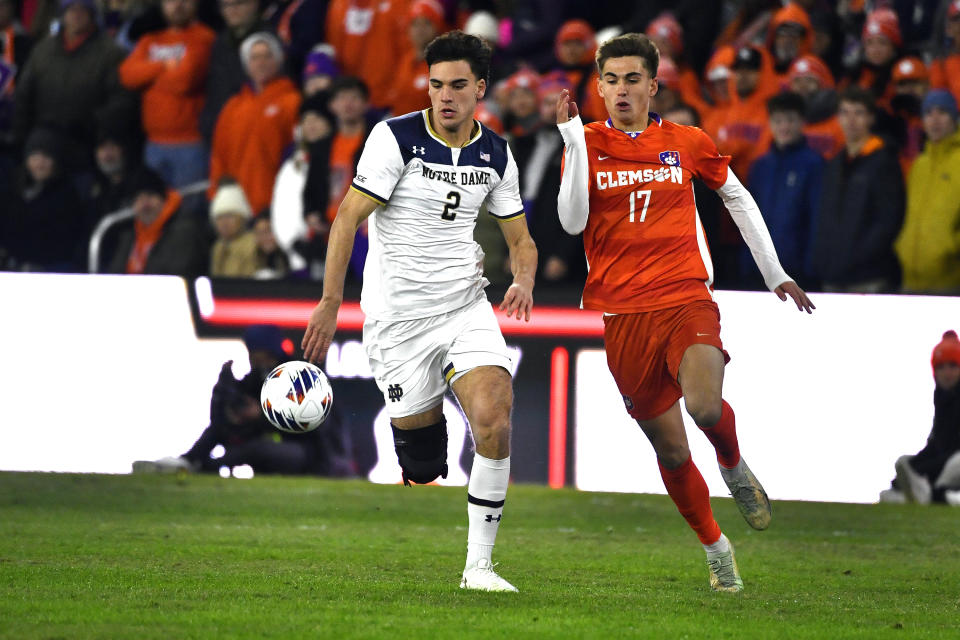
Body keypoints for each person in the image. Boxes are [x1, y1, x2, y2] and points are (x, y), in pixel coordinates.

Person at [555, 32, 814, 593]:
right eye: (611, 79)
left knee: (702, 404)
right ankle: (716, 547)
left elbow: (738, 198)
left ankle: (732, 462)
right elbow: (573, 222)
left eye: (632, 79)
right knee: (670, 448)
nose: (621, 90)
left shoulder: (686, 141)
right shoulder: (587, 142)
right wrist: (573, 143)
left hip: (684, 297)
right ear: (598, 86)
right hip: (623, 315)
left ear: (653, 85)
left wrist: (775, 273)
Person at [301, 30, 537, 593]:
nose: (445, 97)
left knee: (494, 415)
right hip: (397, 322)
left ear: (480, 88)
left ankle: (478, 567)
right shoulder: (395, 138)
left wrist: (523, 279)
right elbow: (346, 218)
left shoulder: (496, 153)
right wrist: (330, 303)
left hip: (464, 305)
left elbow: (521, 239)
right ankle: (426, 446)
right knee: (425, 465)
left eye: (458, 86)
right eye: (436, 85)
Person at [134, 324, 356, 477]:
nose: (253, 359)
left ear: (269, 352)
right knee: (219, 431)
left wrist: (262, 416)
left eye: (257, 353)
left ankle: (206, 467)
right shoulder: (256, 378)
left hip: (312, 455)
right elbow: (225, 418)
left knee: (261, 448)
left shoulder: (299, 378)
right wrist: (224, 393)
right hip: (272, 445)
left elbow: (310, 426)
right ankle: (187, 461)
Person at [13, 0, 136, 174]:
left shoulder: (111, 53)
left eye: (82, 10)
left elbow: (121, 99)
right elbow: (24, 94)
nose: (76, 15)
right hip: (44, 143)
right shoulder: (43, 50)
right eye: (71, 9)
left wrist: (95, 125)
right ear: (63, 14)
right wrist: (23, 135)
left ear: (92, 15)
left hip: (86, 143)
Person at [812, 86, 904, 293]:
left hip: (868, 276)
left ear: (871, 118)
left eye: (858, 113)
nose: (851, 120)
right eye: (845, 112)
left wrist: (855, 258)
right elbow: (825, 218)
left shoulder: (884, 161)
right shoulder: (835, 163)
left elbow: (888, 221)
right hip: (834, 274)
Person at [118, 0, 214, 188]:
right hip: (153, 143)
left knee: (189, 210)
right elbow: (127, 76)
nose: (177, 5)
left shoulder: (203, 37)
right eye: (171, 1)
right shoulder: (150, 39)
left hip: (191, 143)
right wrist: (164, 65)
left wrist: (149, 76)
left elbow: (184, 81)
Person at [208, 31, 300, 216]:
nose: (261, 62)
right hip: (239, 205)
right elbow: (219, 156)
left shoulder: (292, 101)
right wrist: (217, 194)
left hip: (277, 202)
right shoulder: (233, 106)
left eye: (267, 56)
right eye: (255, 57)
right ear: (246, 64)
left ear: (278, 60)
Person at [744, 91, 823, 289]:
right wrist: (746, 261)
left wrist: (810, 267)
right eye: (778, 121)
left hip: (796, 271)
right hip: (759, 272)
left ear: (802, 122)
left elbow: (817, 220)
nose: (784, 127)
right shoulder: (760, 166)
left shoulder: (815, 165)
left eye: (790, 120)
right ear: (770, 123)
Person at [894, 89, 960, 294]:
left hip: (949, 281)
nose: (935, 119)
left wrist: (950, 250)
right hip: (910, 279)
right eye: (929, 113)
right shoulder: (919, 164)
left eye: (942, 112)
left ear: (954, 118)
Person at [884, 331, 960, 505]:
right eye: (941, 367)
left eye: (953, 365)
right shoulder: (942, 397)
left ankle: (935, 494)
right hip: (945, 462)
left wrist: (921, 471)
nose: (946, 372)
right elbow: (936, 444)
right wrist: (913, 469)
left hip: (954, 463)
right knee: (903, 465)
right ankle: (929, 494)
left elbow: (953, 449)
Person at [107, 166, 209, 277]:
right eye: (138, 199)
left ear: (163, 199)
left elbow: (178, 273)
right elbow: (114, 274)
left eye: (150, 196)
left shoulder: (184, 231)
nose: (145, 205)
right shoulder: (129, 237)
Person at [198, 0, 271, 143]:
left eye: (238, 3)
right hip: (219, 132)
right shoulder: (219, 43)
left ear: (255, 4)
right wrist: (208, 124)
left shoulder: (268, 42)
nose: (232, 10)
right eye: (226, 5)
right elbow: (214, 89)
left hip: (255, 134)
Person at [209, 180, 259, 277]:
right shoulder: (218, 247)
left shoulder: (252, 244)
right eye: (220, 217)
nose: (224, 222)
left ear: (242, 218)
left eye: (230, 216)